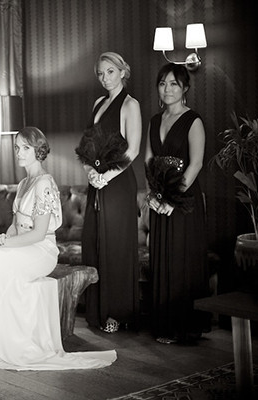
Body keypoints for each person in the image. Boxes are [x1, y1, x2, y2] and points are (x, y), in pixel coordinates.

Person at [0, 127, 117, 370]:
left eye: (25, 148)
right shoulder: (23, 183)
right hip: (22, 245)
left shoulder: (44, 183)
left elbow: (38, 233)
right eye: (17, 147)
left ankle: (4, 342)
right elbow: (15, 227)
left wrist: (1, 245)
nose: (18, 152)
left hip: (41, 250)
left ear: (38, 151)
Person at [144, 63, 211, 344]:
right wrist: (153, 195)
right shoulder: (154, 121)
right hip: (160, 200)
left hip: (184, 203)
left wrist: (173, 198)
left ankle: (184, 326)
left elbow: (195, 164)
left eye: (173, 83)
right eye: (162, 83)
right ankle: (164, 324)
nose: (167, 89)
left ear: (185, 88)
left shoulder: (193, 121)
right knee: (162, 260)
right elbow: (149, 161)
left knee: (181, 261)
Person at [78, 52, 142, 333]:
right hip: (97, 182)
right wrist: (90, 172)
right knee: (94, 243)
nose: (105, 78)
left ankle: (117, 312)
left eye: (110, 72)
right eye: (101, 73)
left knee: (115, 247)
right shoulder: (98, 103)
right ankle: (97, 312)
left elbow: (133, 150)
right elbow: (87, 146)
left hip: (118, 184)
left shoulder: (130, 105)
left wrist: (106, 176)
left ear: (122, 72)